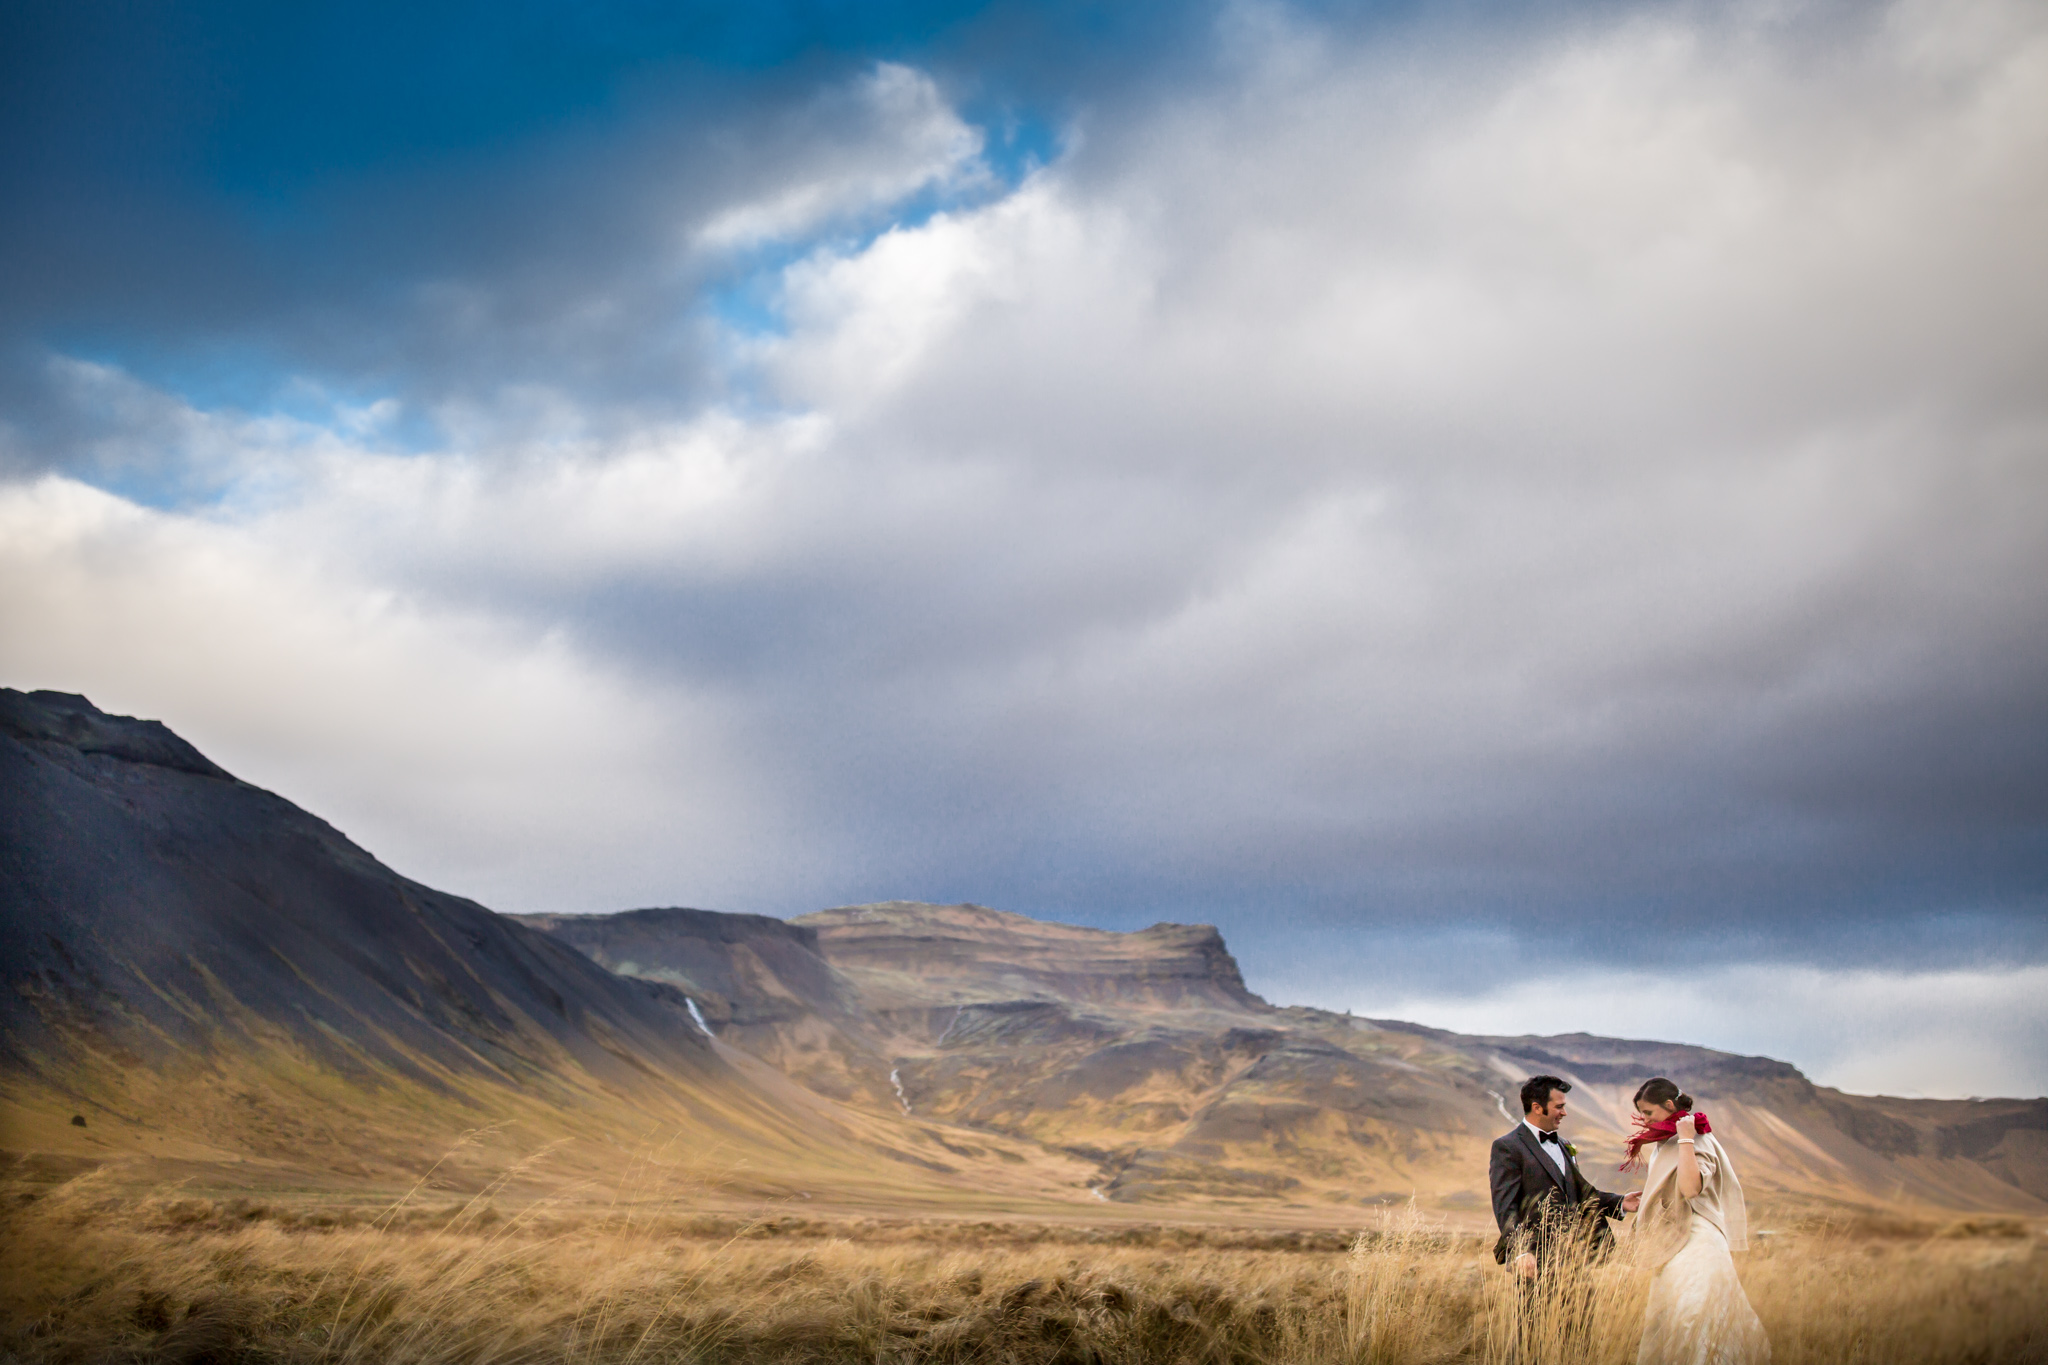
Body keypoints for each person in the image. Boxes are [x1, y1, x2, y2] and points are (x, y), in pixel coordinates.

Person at [1625, 1077, 1770, 1365]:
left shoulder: (1698, 1138)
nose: (1644, 1120)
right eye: (1641, 1113)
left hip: (1699, 1241)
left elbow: (1691, 1189)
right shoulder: (1664, 1141)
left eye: (1649, 1113)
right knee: (1671, 1320)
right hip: (1674, 1243)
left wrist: (1687, 1138)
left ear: (1669, 1105)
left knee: (1696, 1318)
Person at [1490, 1074, 1641, 1275]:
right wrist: (1521, 1251)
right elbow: (1505, 1206)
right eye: (1559, 1107)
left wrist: (1619, 1203)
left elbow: (1577, 1193)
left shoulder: (1564, 1145)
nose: (1565, 1112)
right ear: (1537, 1108)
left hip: (1576, 1257)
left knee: (1585, 1308)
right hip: (1535, 1262)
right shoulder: (1508, 1147)